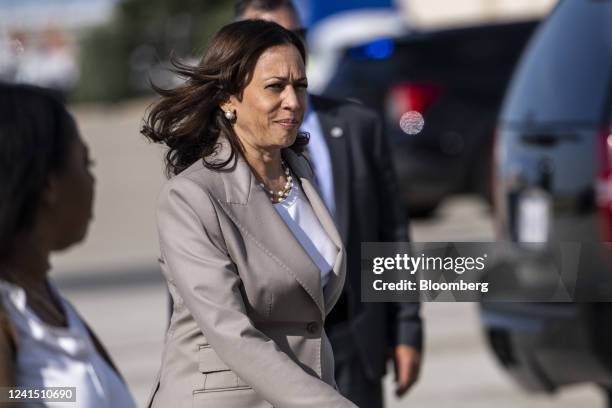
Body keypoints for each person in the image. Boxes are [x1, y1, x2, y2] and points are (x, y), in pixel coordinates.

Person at [142, 20, 356, 407]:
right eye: (275, 87)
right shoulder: (190, 197)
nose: (293, 100)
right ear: (228, 97)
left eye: (301, 86)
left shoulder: (303, 176)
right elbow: (230, 332)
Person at [235, 1, 423, 407]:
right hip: (268, 350)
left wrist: (407, 328)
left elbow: (392, 234)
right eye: (262, 42)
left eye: (292, 39)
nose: (282, 56)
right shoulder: (217, 151)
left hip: (353, 337)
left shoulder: (357, 125)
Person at [0, 83, 136, 408]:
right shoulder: (11, 312)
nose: (92, 181)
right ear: (49, 184)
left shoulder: (49, 302)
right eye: (85, 164)